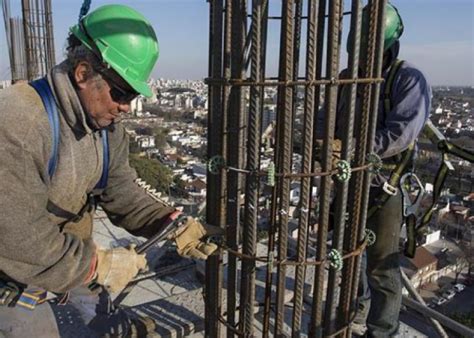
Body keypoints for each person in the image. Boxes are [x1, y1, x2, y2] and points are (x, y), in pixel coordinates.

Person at [0, 4, 222, 337]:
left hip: (66, 264)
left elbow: (121, 193)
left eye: (132, 95)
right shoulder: (20, 122)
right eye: (120, 92)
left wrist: (170, 224)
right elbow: (20, 241)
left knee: (111, 327)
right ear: (82, 74)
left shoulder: (106, 130)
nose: (126, 106)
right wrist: (97, 265)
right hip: (12, 278)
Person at [340, 3, 432, 337]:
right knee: (348, 254)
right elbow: (326, 119)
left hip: (385, 184)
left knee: (382, 267)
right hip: (349, 180)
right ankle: (355, 309)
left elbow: (401, 133)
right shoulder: (348, 79)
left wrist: (352, 147)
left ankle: (381, 332)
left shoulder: (408, 80)